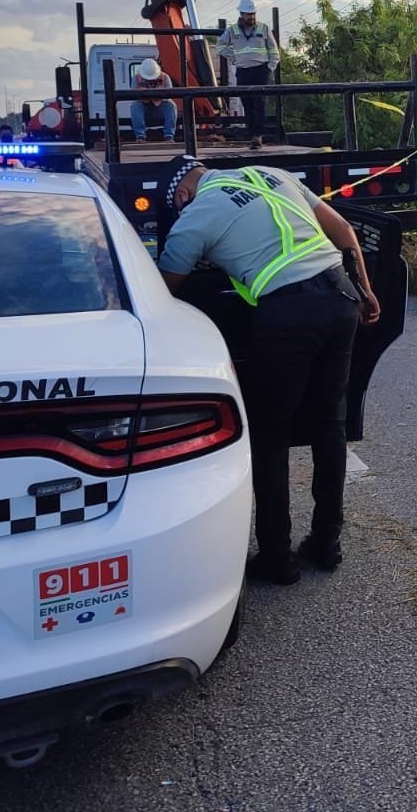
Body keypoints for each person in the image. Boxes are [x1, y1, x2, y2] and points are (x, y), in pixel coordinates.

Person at [157, 155, 381, 585]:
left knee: (271, 434)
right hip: (340, 297)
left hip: (287, 314)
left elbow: (164, 295)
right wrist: (366, 291)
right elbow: (346, 232)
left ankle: (278, 557)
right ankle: (326, 543)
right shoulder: (273, 174)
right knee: (329, 423)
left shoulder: (197, 214)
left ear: (182, 194)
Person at [214, 0, 279, 140]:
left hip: (261, 70)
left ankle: (258, 135)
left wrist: (270, 67)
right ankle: (251, 134)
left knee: (260, 102)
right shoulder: (233, 30)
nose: (252, 17)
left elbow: (274, 50)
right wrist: (234, 57)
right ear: (242, 14)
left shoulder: (263, 28)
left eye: (253, 13)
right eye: (249, 14)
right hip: (243, 71)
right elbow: (220, 45)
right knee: (247, 103)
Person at [129, 57, 176, 142]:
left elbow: (169, 96)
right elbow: (134, 96)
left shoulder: (165, 78)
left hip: (160, 109)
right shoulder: (136, 78)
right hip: (144, 109)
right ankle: (140, 136)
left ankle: (169, 136)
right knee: (135, 106)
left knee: (171, 105)